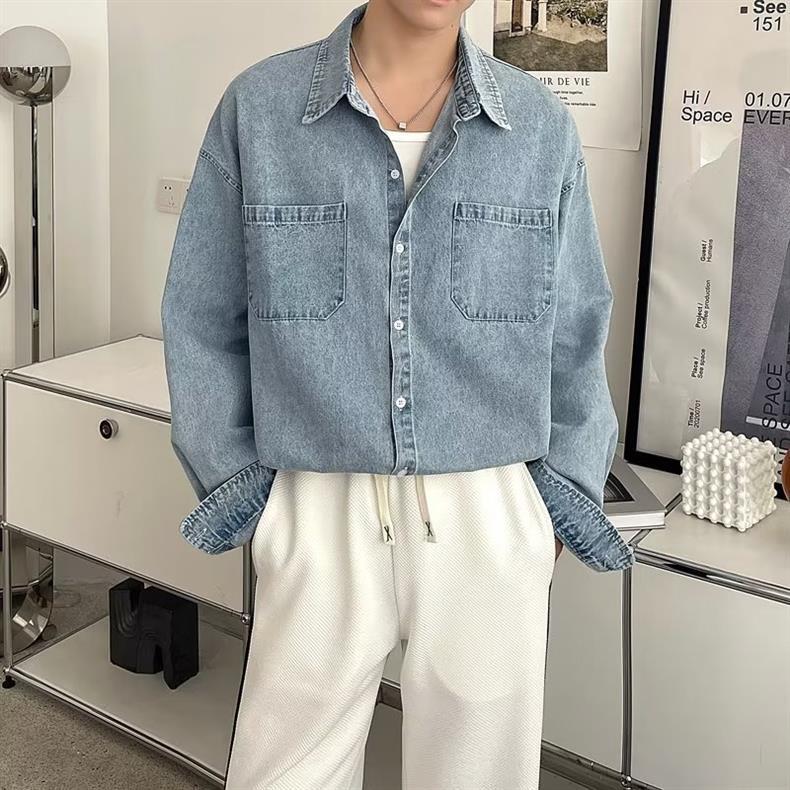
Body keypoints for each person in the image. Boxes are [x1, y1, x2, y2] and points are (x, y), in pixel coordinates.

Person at [160, 1, 635, 787]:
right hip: (317, 499)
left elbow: (576, 329)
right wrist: (245, 491)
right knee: (285, 772)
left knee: (477, 776)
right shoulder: (262, 109)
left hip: (489, 510)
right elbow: (204, 313)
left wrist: (554, 507)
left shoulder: (538, 127)